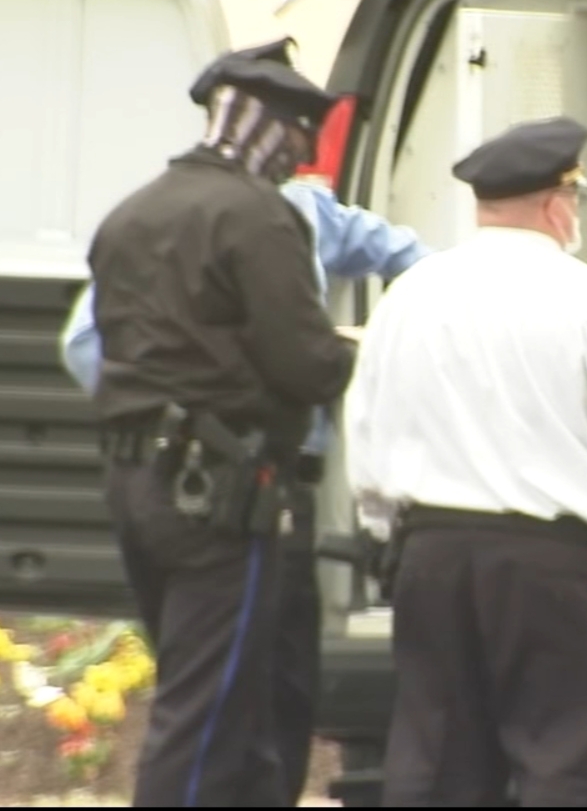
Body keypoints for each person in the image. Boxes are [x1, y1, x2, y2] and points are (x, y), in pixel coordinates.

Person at [341, 115, 587, 807]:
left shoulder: (409, 297)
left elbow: (367, 430)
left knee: (436, 764)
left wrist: (383, 532)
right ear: (557, 206)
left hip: (431, 560)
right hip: (555, 570)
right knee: (566, 761)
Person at [59, 178, 431, 803]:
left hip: (269, 486)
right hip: (223, 482)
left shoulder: (301, 210)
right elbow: (84, 344)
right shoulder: (249, 217)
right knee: (229, 699)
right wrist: (207, 401)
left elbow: (411, 257)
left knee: (271, 693)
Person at [87, 37, 357, 807]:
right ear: (276, 129)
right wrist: (362, 355)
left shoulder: (130, 214)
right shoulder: (257, 217)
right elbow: (304, 364)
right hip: (220, 494)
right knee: (209, 716)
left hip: (138, 481)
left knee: (217, 697)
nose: (297, 160)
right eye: (297, 140)